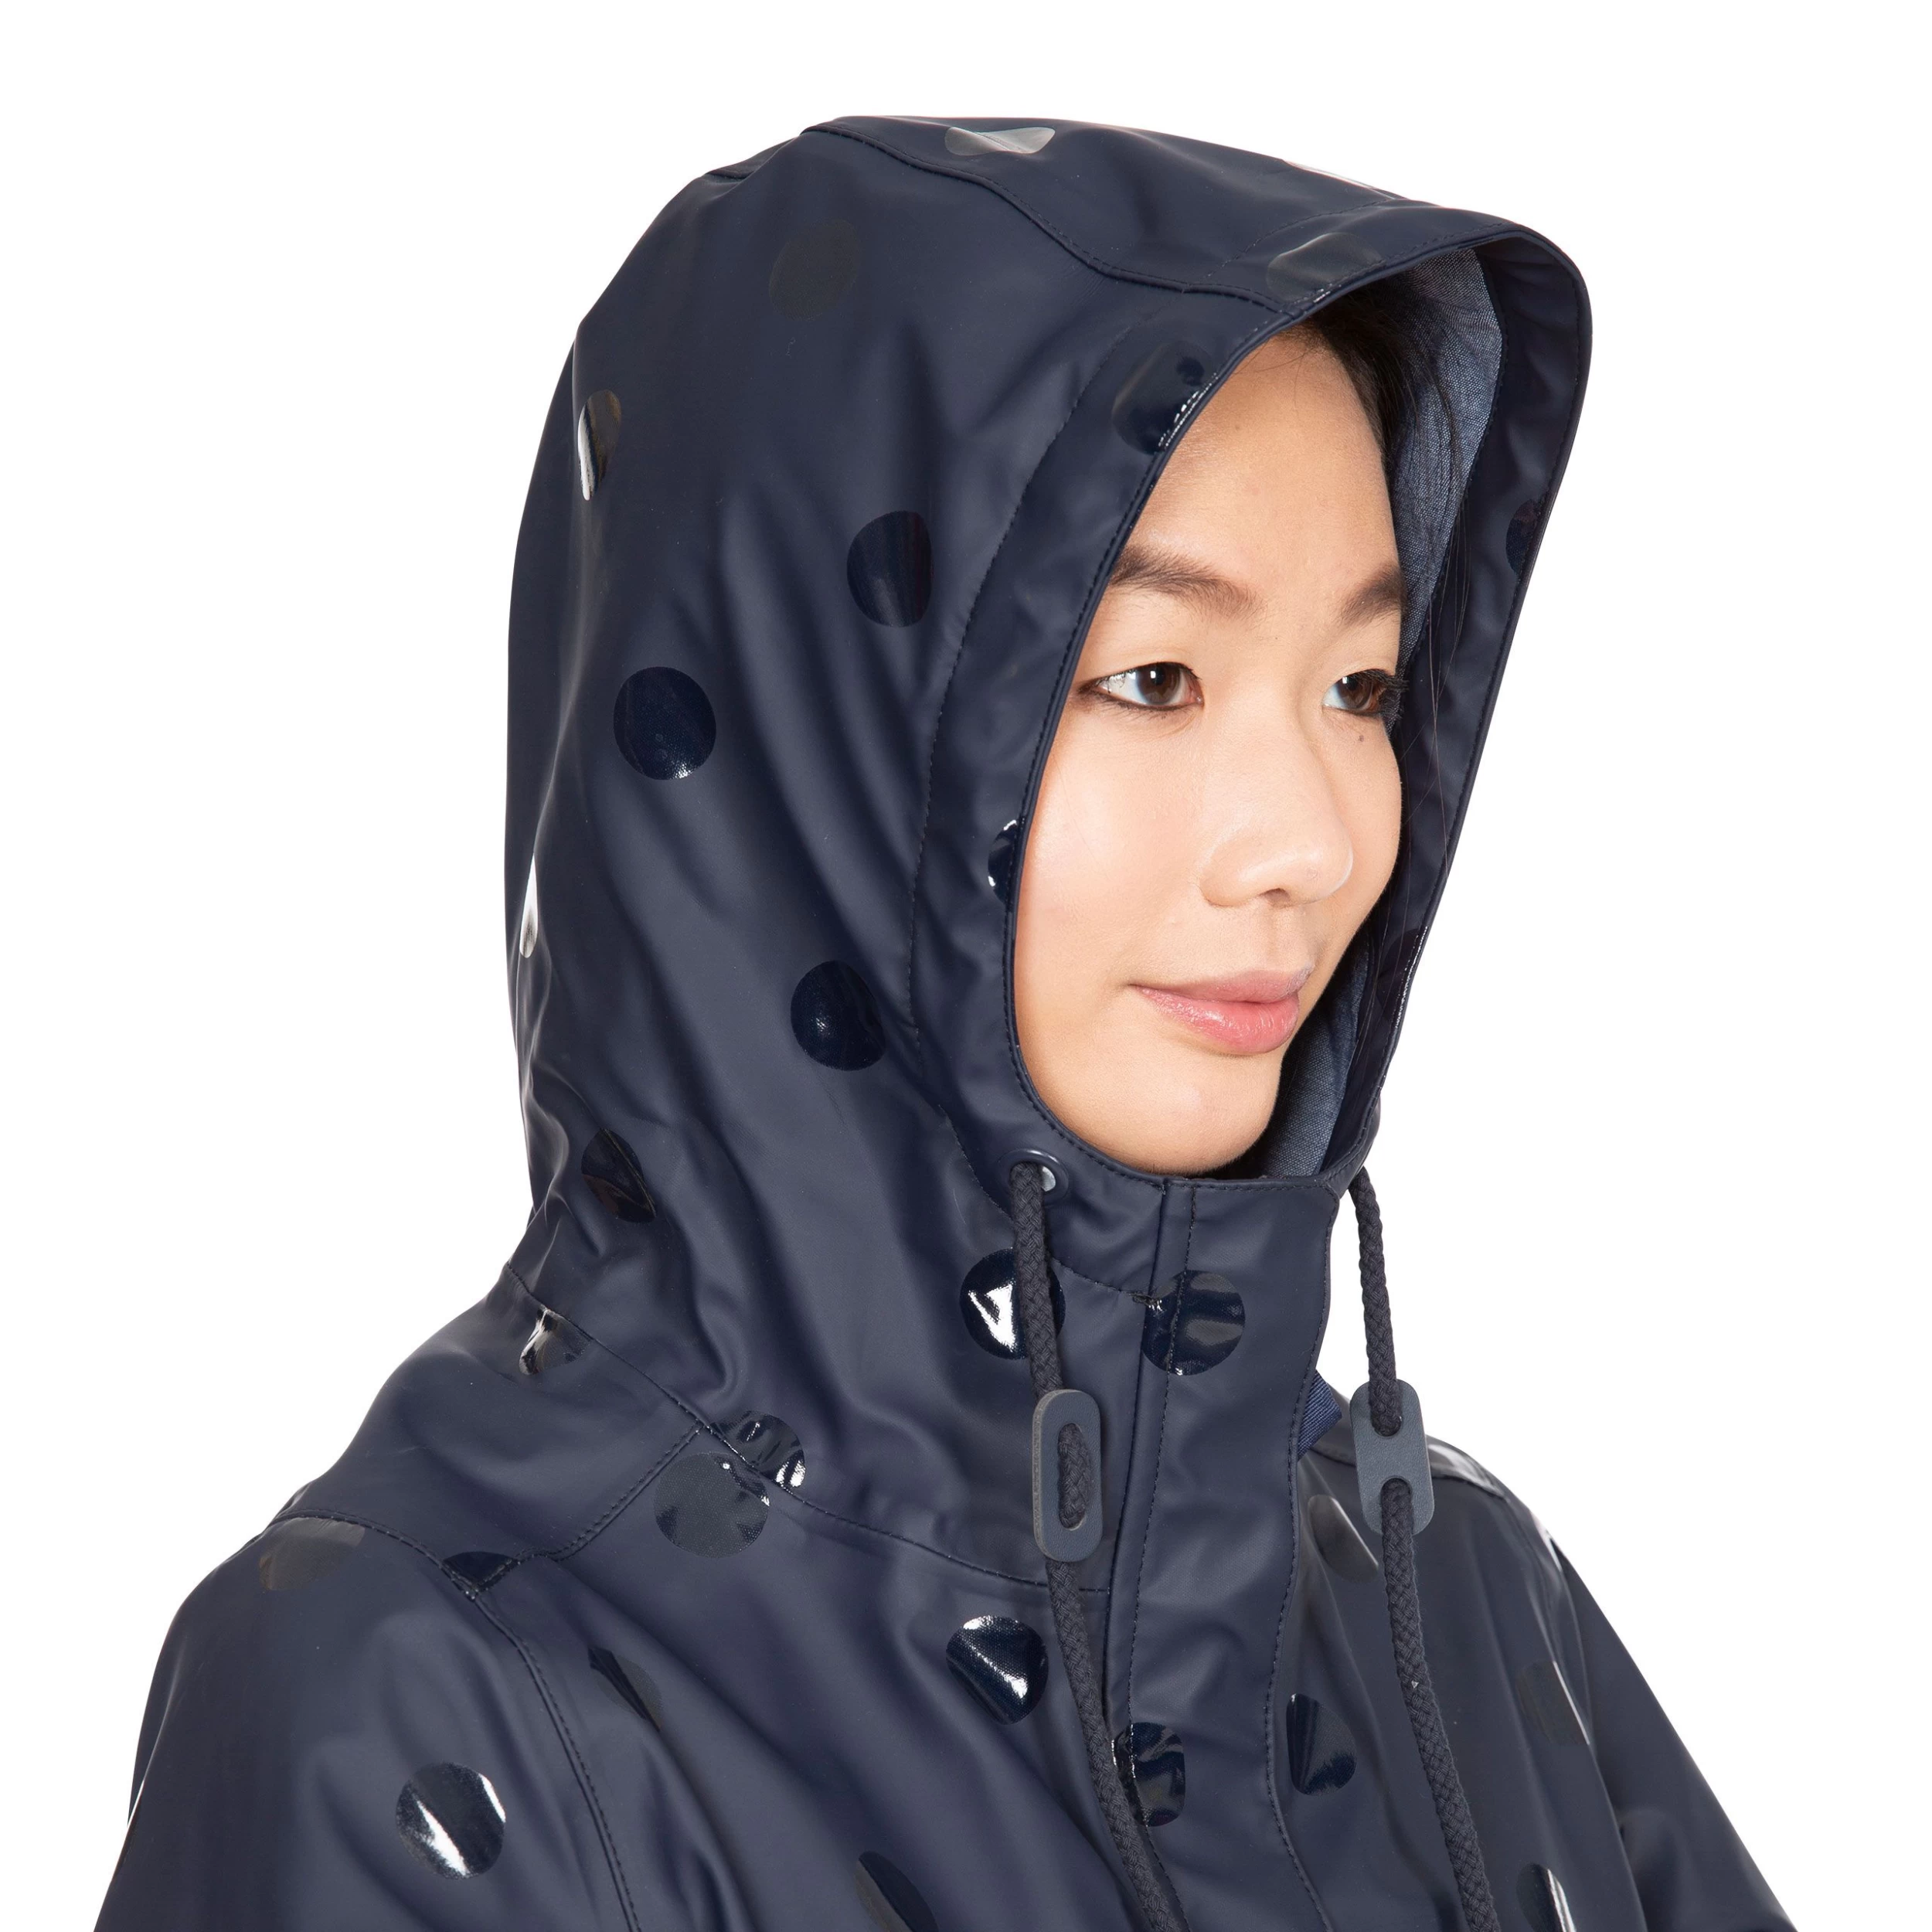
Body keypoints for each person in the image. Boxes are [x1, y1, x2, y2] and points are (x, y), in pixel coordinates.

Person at [95, 117, 1791, 1932]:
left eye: (1361, 685)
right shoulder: (418, 1693)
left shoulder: (1452, 1598)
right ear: (797, 744)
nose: (1310, 841)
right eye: (1152, 677)